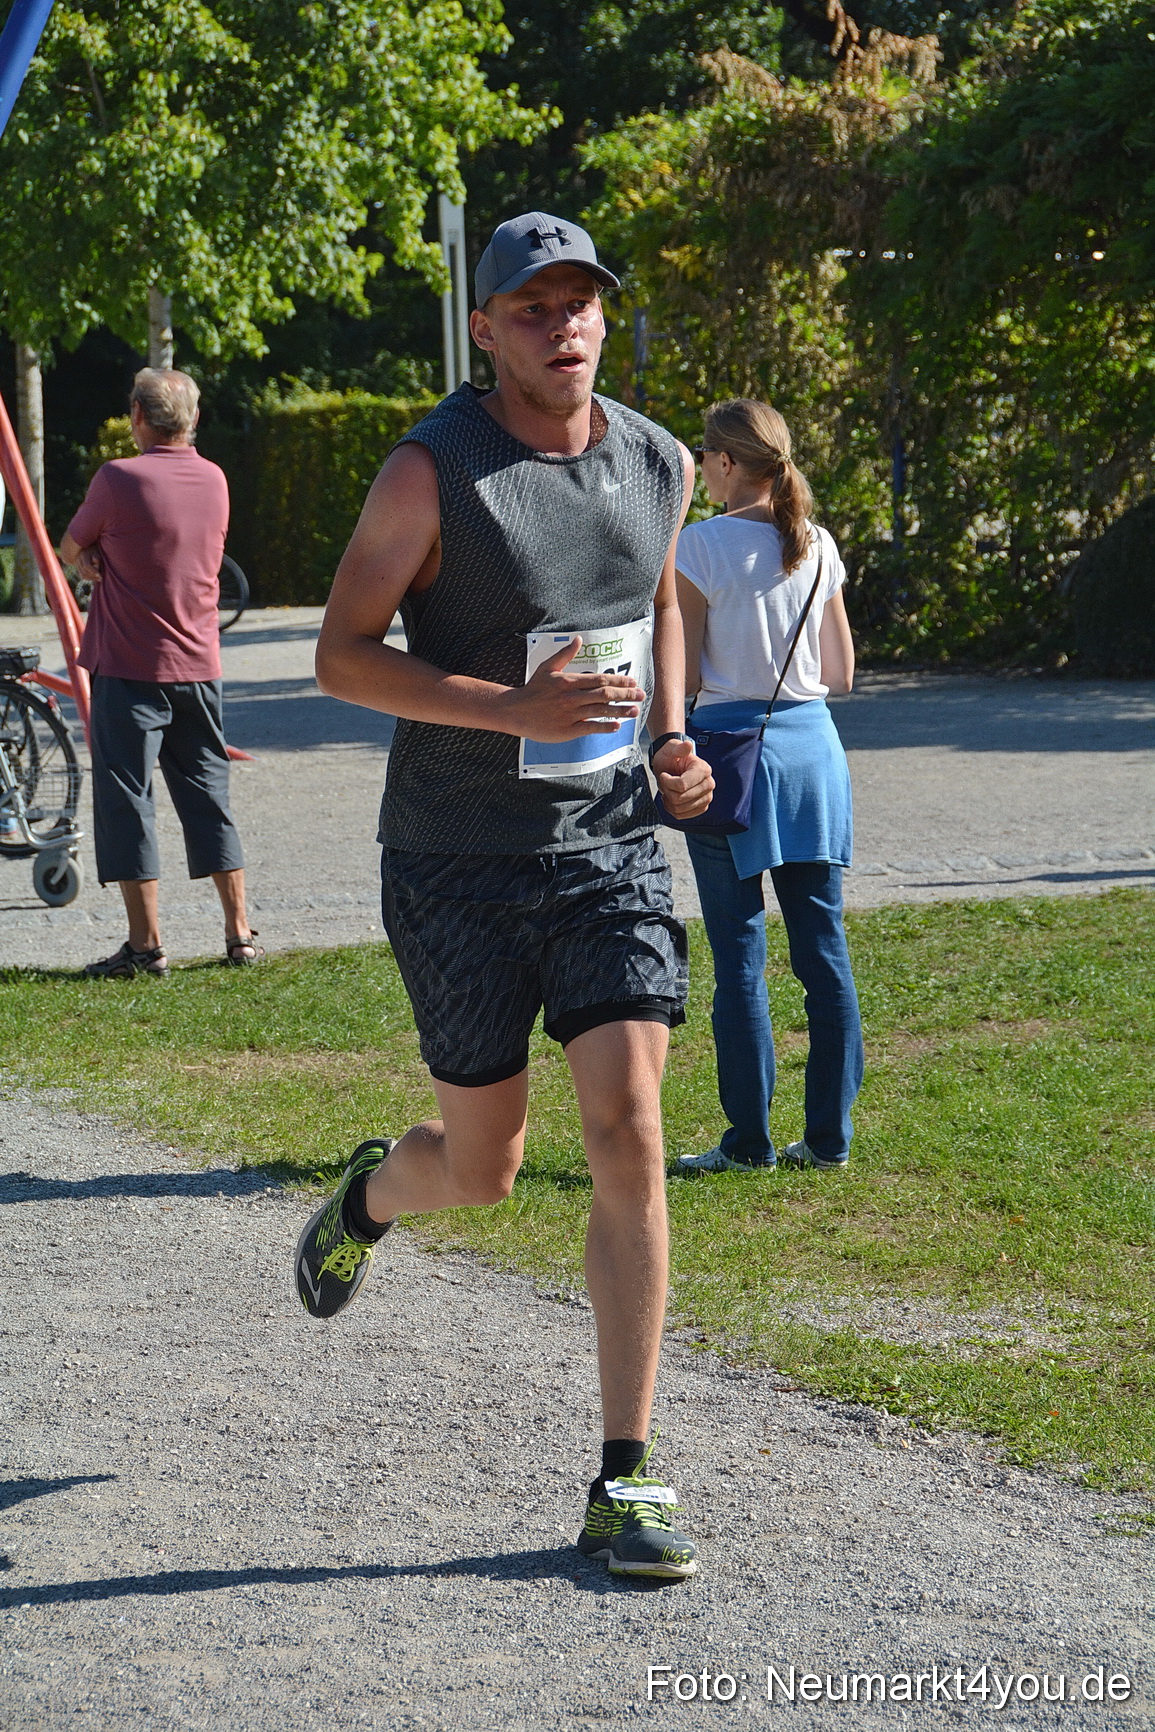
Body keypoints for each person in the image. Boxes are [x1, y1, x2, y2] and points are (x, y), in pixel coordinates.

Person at [294, 211, 714, 1580]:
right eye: (530, 308)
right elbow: (342, 658)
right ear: (484, 329)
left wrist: (666, 737)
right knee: (482, 1171)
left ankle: (625, 1479)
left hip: (606, 848)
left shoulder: (654, 457)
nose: (562, 326)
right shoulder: (433, 470)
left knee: (632, 1129)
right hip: (455, 861)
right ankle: (370, 1198)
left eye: (579, 301)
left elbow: (654, 602)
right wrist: (512, 706)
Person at [671, 398, 864, 1175]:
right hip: (813, 751)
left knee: (738, 957)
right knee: (824, 953)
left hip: (730, 755)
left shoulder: (698, 547)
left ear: (722, 464)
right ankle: (828, 1140)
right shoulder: (815, 543)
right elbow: (842, 673)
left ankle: (747, 1144)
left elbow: (680, 679)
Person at [60, 368, 260, 978]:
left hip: (128, 665)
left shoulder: (118, 477)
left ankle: (145, 947)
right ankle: (239, 934)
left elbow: (72, 548)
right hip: (199, 663)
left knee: (128, 799)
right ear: (193, 420)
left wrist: (97, 557)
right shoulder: (215, 479)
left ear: (137, 418)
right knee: (208, 794)